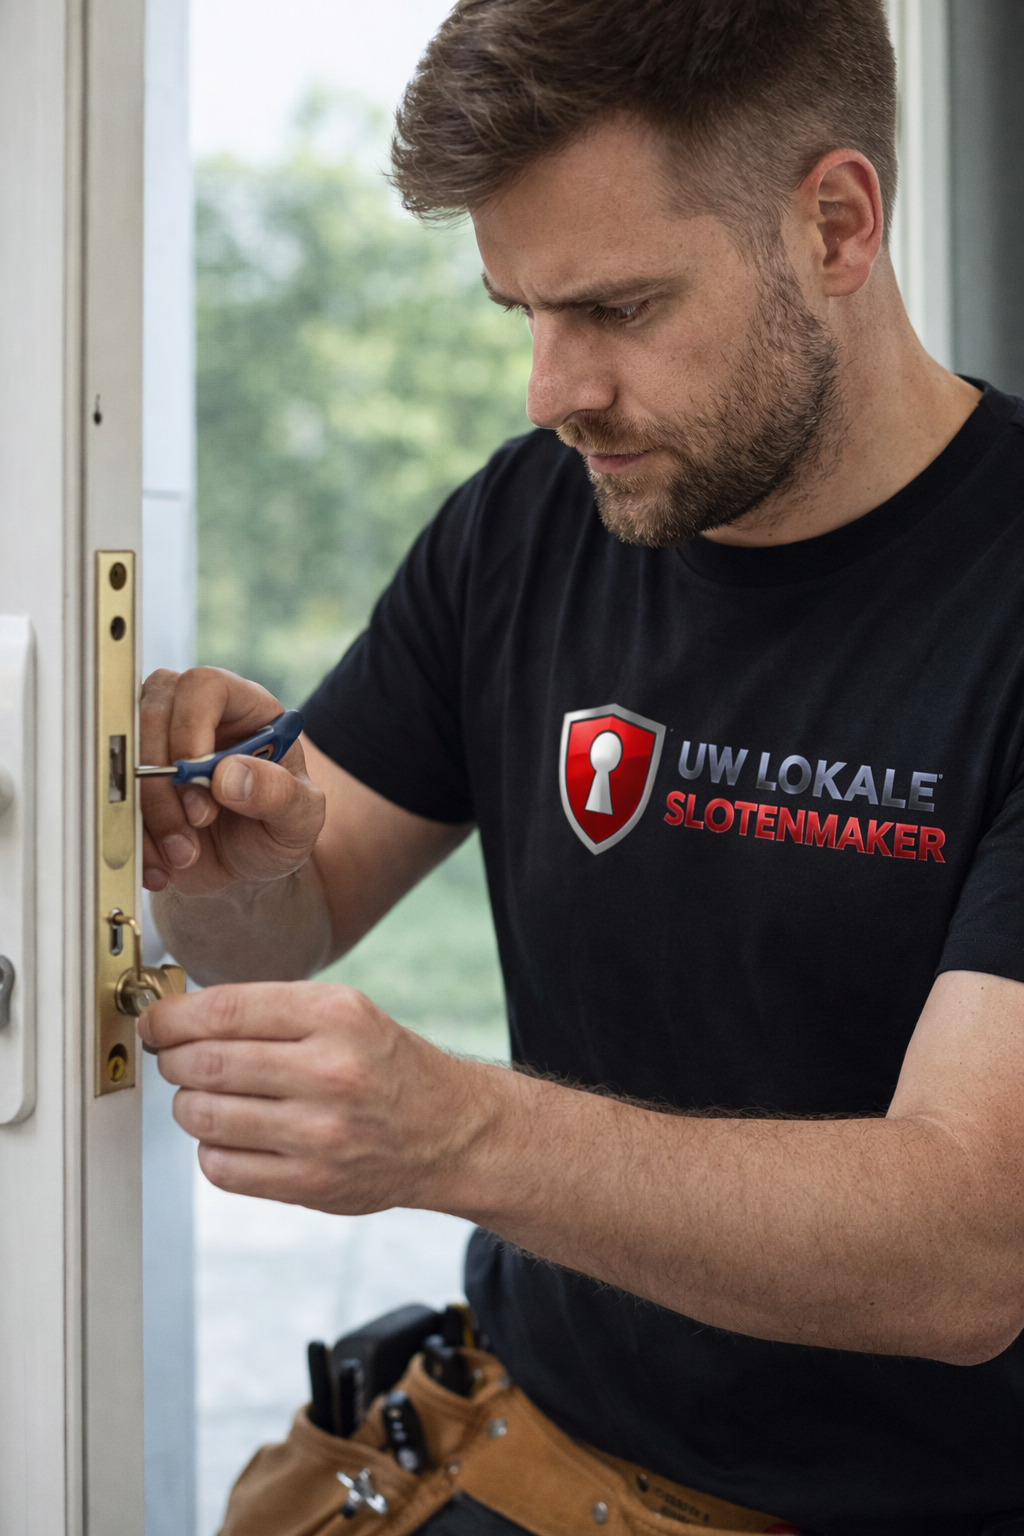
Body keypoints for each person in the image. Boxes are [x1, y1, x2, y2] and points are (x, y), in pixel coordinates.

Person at [140, 2, 1024, 1532]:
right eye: (523, 314)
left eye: (617, 308)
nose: (552, 393)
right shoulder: (526, 523)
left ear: (836, 224)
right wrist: (228, 869)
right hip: (526, 1438)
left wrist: (459, 1133)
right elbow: (282, 915)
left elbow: (970, 1253)